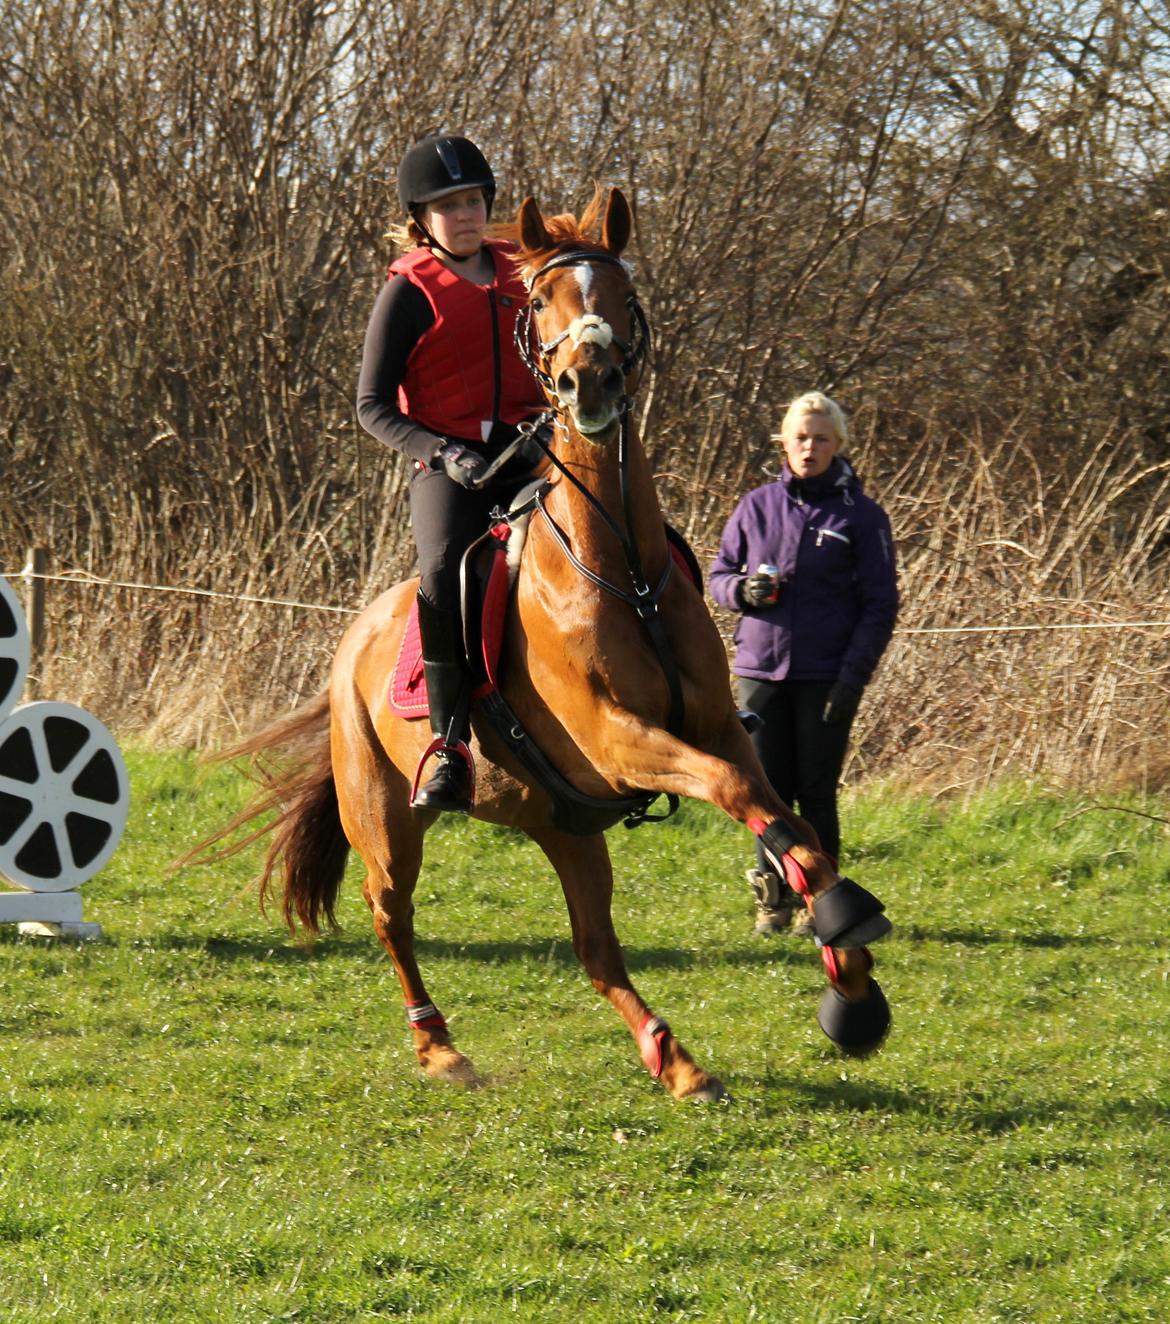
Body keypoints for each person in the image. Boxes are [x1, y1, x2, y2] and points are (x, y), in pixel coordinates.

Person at [357, 134, 546, 814]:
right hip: (452, 468)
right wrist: (441, 453)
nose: (465, 216)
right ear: (421, 219)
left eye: (473, 201)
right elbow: (371, 406)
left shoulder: (524, 272)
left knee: (612, 524)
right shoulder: (408, 293)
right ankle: (448, 745)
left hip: (532, 454)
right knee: (442, 570)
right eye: (448, 206)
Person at [709, 391, 899, 936]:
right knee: (764, 795)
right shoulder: (756, 506)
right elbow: (718, 577)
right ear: (784, 443)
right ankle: (773, 902)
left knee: (815, 794)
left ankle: (822, 903)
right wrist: (743, 591)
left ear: (839, 444)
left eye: (820, 438)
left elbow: (880, 605)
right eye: (800, 438)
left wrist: (852, 679)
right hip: (760, 672)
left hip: (827, 677)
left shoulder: (862, 516)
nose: (809, 447)